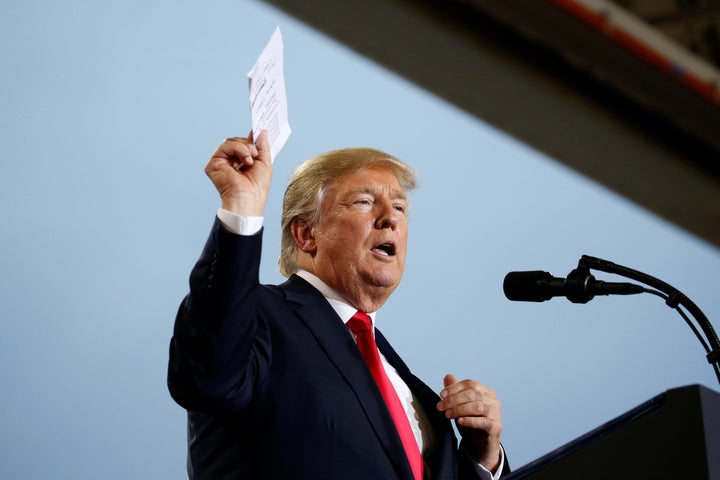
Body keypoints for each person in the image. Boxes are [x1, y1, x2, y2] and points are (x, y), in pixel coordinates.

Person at [167, 130, 510, 479]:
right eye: (364, 201)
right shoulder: (260, 316)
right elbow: (208, 374)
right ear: (306, 234)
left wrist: (484, 459)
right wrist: (241, 209)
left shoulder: (414, 392)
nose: (390, 217)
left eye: (400, 207)